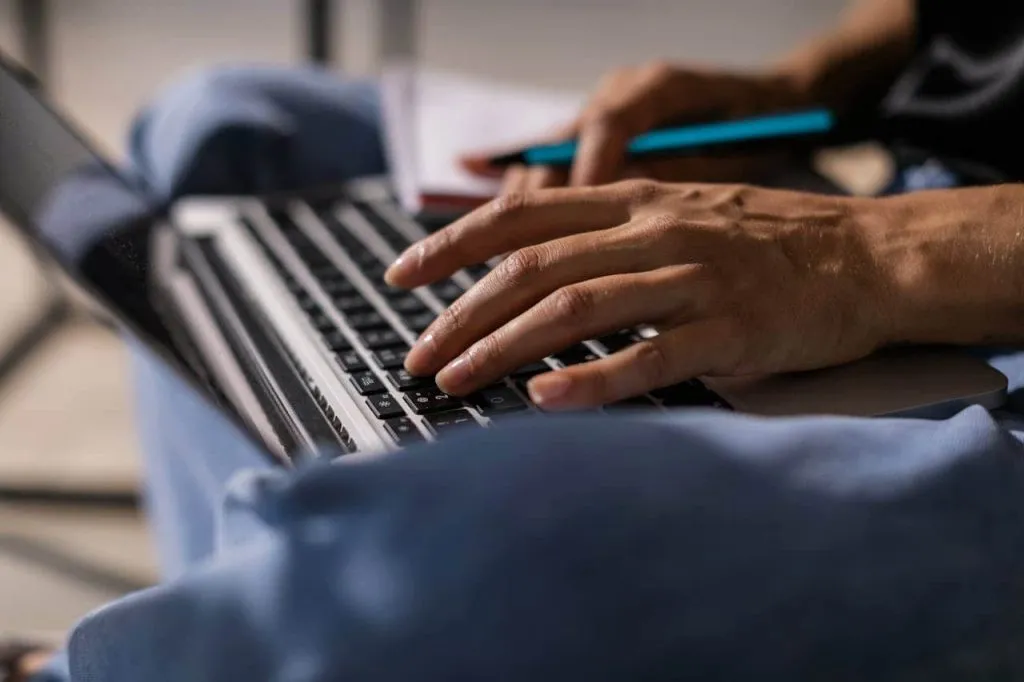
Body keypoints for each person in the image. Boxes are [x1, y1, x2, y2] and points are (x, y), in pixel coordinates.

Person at [14, 0, 1024, 679]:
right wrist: (803, 86)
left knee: (480, 542)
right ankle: (247, 621)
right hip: (905, 197)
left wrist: (872, 255)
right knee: (223, 129)